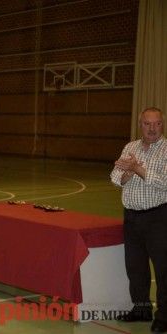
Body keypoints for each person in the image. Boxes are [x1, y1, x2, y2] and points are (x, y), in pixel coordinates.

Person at [110, 107, 167, 333]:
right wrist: (127, 173)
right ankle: (141, 308)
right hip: (132, 217)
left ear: (163, 124)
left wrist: (138, 169)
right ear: (140, 124)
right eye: (147, 124)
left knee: (163, 269)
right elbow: (115, 178)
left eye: (157, 124)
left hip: (159, 218)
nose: (152, 128)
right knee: (136, 268)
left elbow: (165, 183)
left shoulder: (166, 149)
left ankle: (164, 316)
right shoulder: (130, 147)